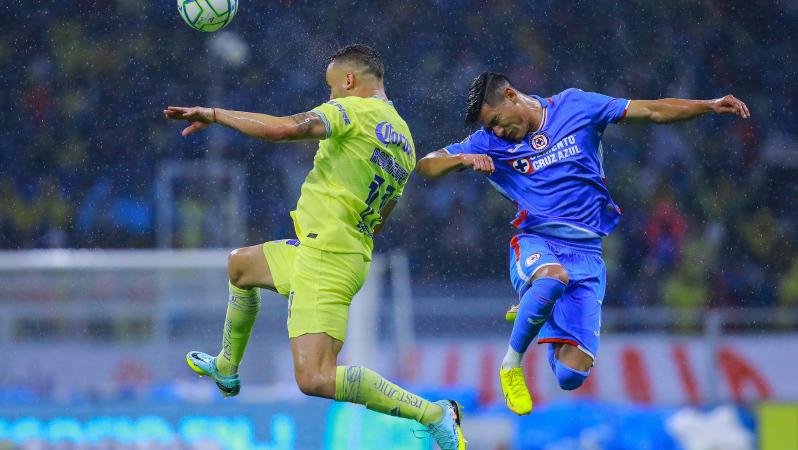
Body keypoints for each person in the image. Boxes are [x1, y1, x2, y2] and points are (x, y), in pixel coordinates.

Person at [164, 44, 466, 449]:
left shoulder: (353, 111)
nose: (329, 98)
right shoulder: (405, 141)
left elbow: (282, 129)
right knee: (241, 267)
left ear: (349, 81)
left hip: (325, 256)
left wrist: (216, 115)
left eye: (331, 88)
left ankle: (433, 413)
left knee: (315, 378)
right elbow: (386, 212)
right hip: (336, 249)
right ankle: (227, 366)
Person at [416, 72, 749, 415]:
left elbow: (653, 111)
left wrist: (708, 106)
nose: (498, 132)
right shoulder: (487, 142)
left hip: (588, 255)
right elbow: (425, 165)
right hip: (537, 242)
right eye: (491, 128)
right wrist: (463, 159)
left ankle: (540, 308)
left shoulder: (575, 106)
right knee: (552, 277)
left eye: (498, 121)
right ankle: (511, 364)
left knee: (571, 375)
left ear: (512, 95)